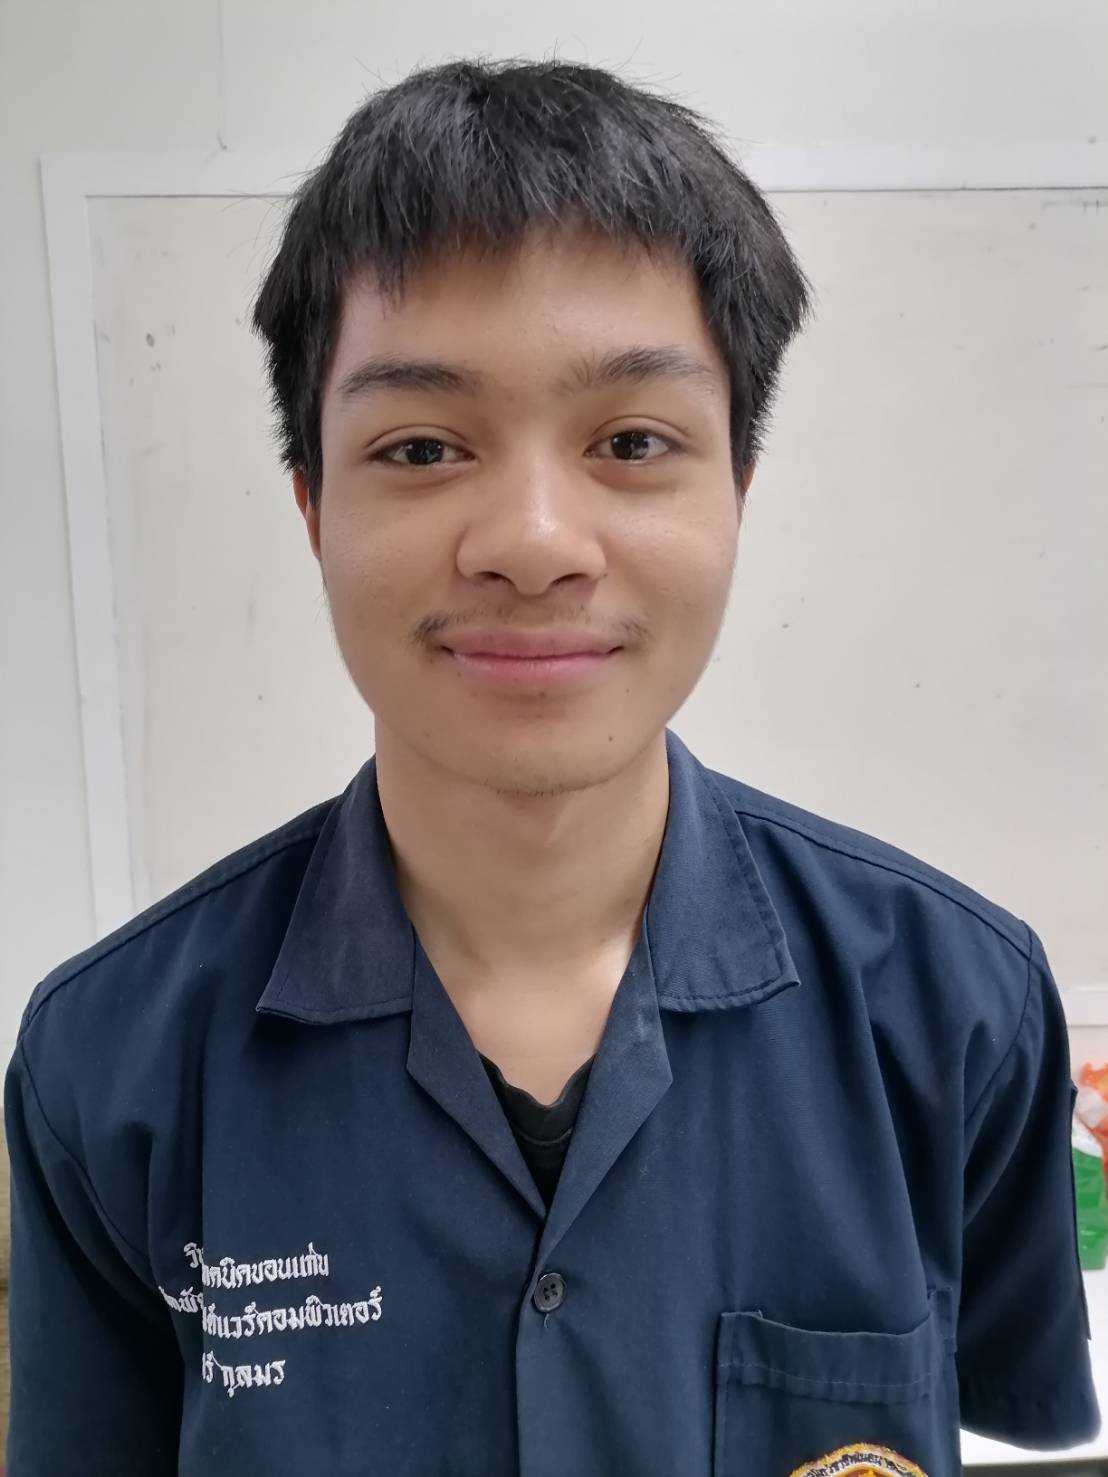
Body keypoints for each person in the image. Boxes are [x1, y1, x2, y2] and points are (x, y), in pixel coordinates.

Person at [4, 55, 1097, 1477]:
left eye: (632, 440)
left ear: (737, 489)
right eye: (421, 446)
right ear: (313, 506)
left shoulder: (958, 1009)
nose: (531, 542)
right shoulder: (111, 1064)